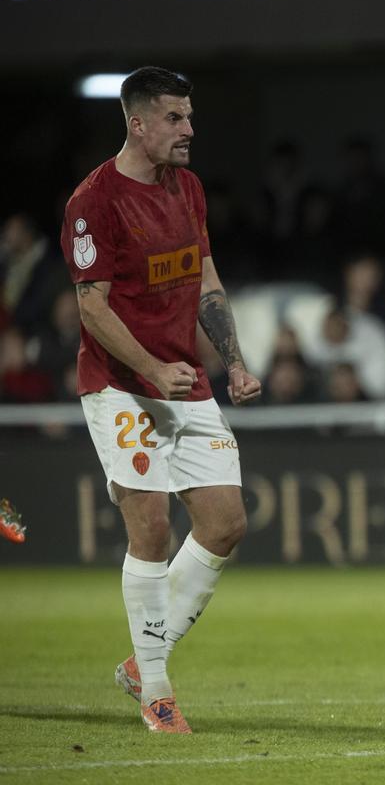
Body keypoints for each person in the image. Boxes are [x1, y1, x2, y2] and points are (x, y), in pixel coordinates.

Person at [60, 67, 261, 735]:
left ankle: (139, 664)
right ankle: (157, 688)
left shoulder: (189, 189)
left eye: (190, 117)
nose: (189, 131)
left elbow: (204, 277)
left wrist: (231, 360)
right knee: (150, 527)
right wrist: (149, 367)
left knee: (226, 521)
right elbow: (92, 307)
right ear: (137, 123)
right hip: (120, 387)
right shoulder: (94, 202)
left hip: (185, 383)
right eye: (175, 119)